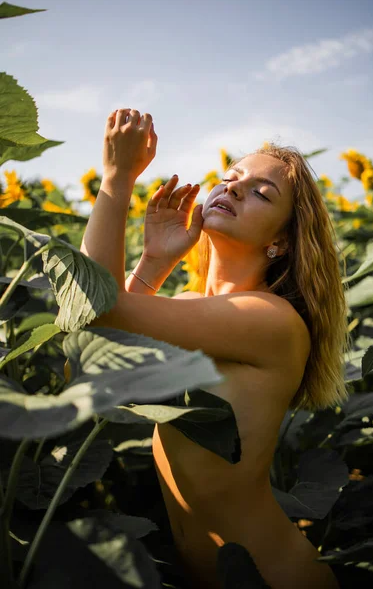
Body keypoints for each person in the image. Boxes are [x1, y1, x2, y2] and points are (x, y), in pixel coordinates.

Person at [80, 108, 350, 589]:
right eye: (231, 177)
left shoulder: (269, 319)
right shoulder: (189, 307)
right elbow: (87, 357)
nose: (234, 188)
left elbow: (98, 308)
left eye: (261, 193)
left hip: (272, 579)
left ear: (282, 242)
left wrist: (117, 178)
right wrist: (155, 259)